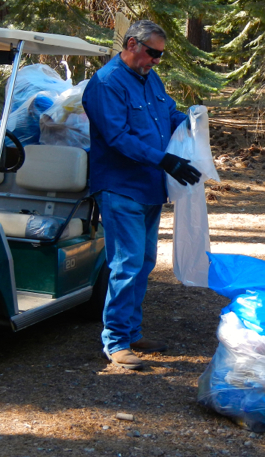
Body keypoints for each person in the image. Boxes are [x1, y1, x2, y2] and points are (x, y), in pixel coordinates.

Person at [82, 20, 202, 371]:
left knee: (144, 263)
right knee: (126, 264)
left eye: (161, 56)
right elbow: (117, 137)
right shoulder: (106, 83)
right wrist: (165, 159)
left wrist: (194, 120)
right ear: (132, 44)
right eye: (153, 53)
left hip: (150, 188)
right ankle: (116, 341)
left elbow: (167, 114)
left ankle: (132, 332)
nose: (156, 61)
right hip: (120, 187)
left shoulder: (150, 79)